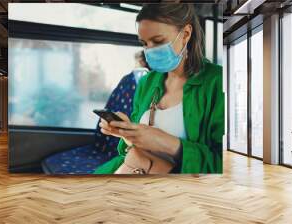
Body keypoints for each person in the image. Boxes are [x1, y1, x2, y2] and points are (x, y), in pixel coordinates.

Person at [93, 3, 224, 174]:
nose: (150, 50)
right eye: (145, 43)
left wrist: (164, 141)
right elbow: (133, 148)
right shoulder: (147, 83)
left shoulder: (217, 82)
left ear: (185, 34)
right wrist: (128, 133)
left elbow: (223, 163)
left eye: (158, 41)